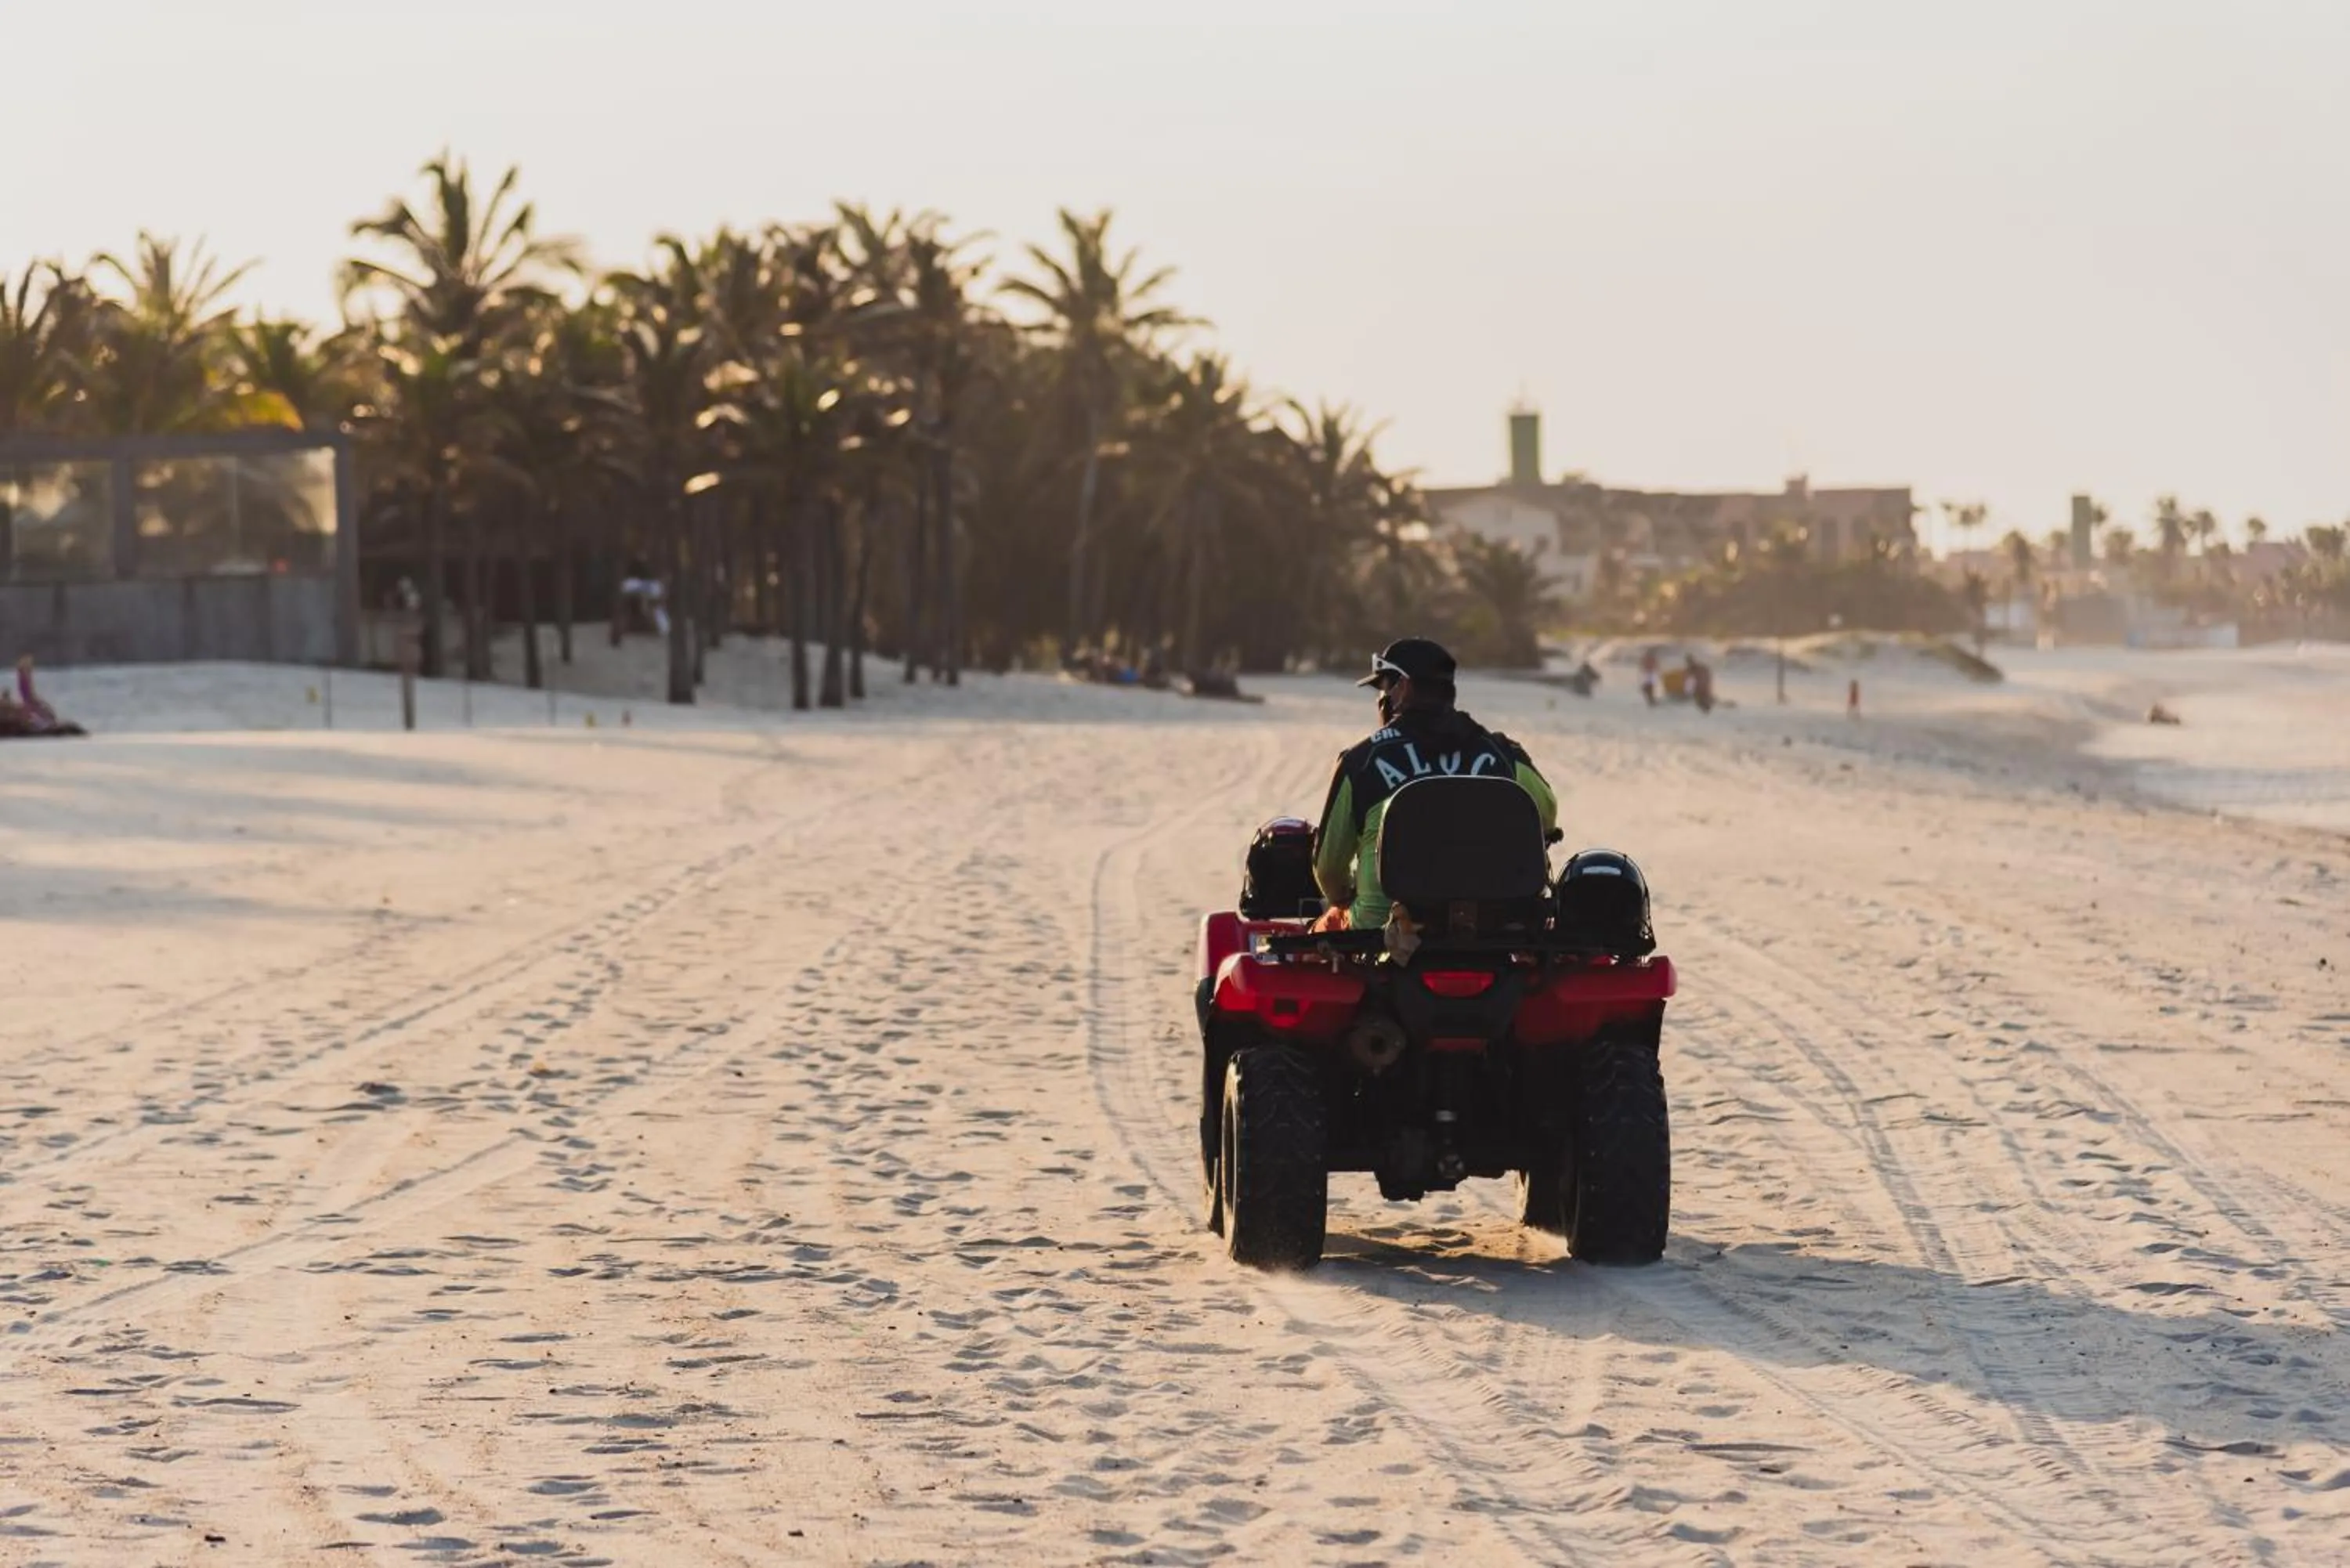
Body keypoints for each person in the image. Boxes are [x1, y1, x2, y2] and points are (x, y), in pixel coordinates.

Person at [1311, 637, 1557, 932]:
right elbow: (1546, 816)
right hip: (1492, 927)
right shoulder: (1504, 754)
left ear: (1404, 687)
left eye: (1385, 687)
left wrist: (1346, 896)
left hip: (1384, 930)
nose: (1382, 698)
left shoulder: (1361, 762)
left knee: (1322, 933)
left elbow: (1329, 870)